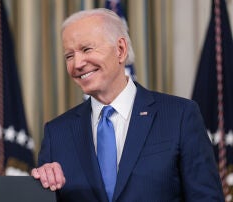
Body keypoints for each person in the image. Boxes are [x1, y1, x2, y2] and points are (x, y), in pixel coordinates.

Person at [31, 8, 224, 202]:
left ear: (120, 50)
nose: (77, 63)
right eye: (69, 56)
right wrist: (42, 184)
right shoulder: (56, 134)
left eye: (86, 49)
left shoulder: (180, 116)